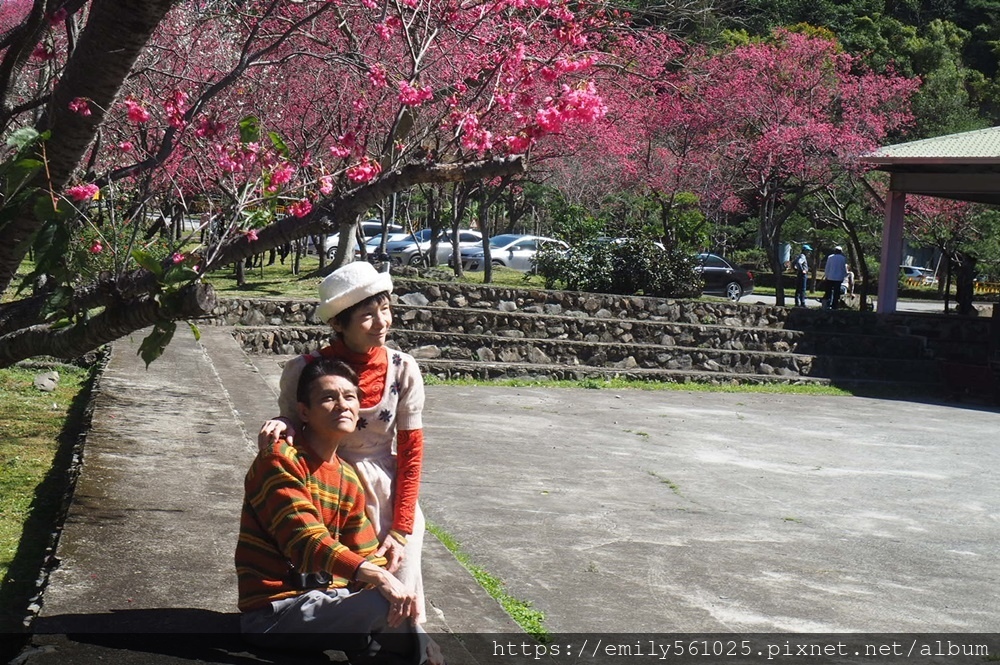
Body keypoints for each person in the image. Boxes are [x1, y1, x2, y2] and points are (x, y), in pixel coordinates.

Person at [258, 261, 428, 623]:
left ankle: (411, 641)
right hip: (328, 483)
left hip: (386, 492)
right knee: (340, 581)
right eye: (367, 316)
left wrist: (401, 527)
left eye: (385, 310)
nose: (382, 323)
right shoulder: (306, 369)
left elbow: (411, 452)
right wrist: (282, 421)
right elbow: (295, 420)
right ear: (338, 323)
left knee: (399, 581)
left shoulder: (403, 368)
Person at [236, 358, 437, 663]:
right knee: (384, 606)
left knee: (397, 617)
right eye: (328, 398)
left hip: (329, 601)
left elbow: (366, 553)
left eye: (350, 397)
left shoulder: (347, 477)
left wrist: (415, 627)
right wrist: (380, 578)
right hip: (275, 611)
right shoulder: (280, 460)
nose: (342, 405)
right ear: (304, 411)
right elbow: (305, 540)